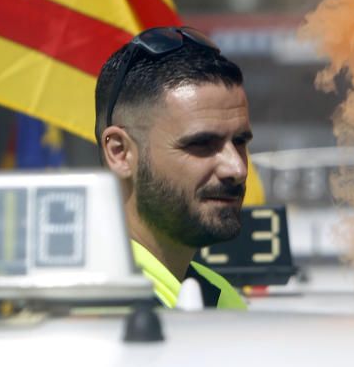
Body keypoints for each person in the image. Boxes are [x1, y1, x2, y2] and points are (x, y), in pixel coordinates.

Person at [95, 26, 250, 309]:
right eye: (202, 144)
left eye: (239, 142)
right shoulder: (94, 306)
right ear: (119, 152)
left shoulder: (219, 295)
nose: (236, 168)